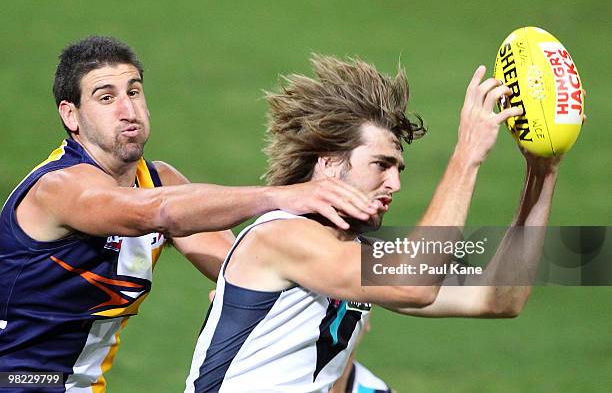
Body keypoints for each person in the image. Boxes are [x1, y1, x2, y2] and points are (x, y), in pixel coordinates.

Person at [0, 37, 381, 392]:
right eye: (106, 97)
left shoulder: (158, 181)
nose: (128, 109)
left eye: (133, 91)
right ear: (71, 115)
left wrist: (359, 256)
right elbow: (161, 212)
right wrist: (283, 196)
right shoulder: (59, 188)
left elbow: (242, 268)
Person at [185, 55, 561, 392]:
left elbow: (499, 297)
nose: (394, 184)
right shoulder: (280, 235)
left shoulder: (356, 255)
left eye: (398, 169)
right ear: (329, 162)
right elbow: (412, 285)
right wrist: (467, 153)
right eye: (381, 165)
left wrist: (541, 174)